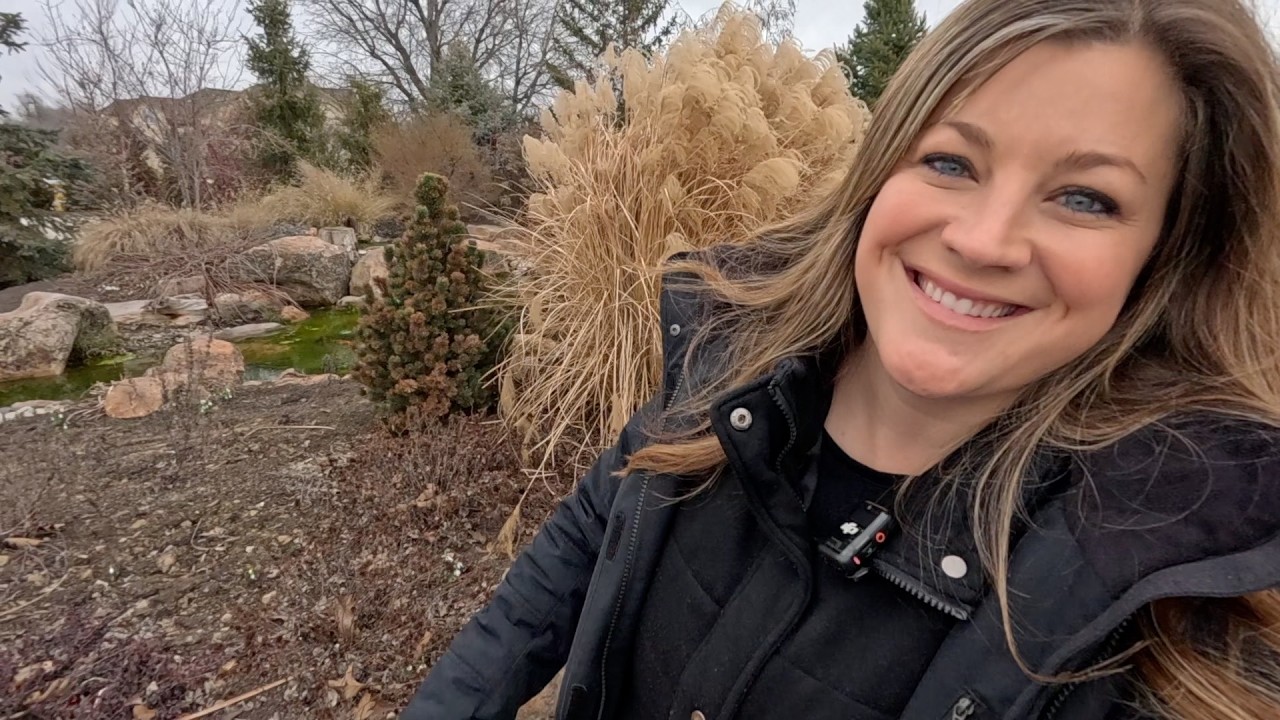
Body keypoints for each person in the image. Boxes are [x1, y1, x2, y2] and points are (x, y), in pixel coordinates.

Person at [402, 0, 1280, 718]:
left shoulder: (1161, 597)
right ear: (879, 170)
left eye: (1085, 198)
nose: (983, 240)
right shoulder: (730, 353)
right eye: (951, 161)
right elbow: (577, 550)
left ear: (1171, 255)